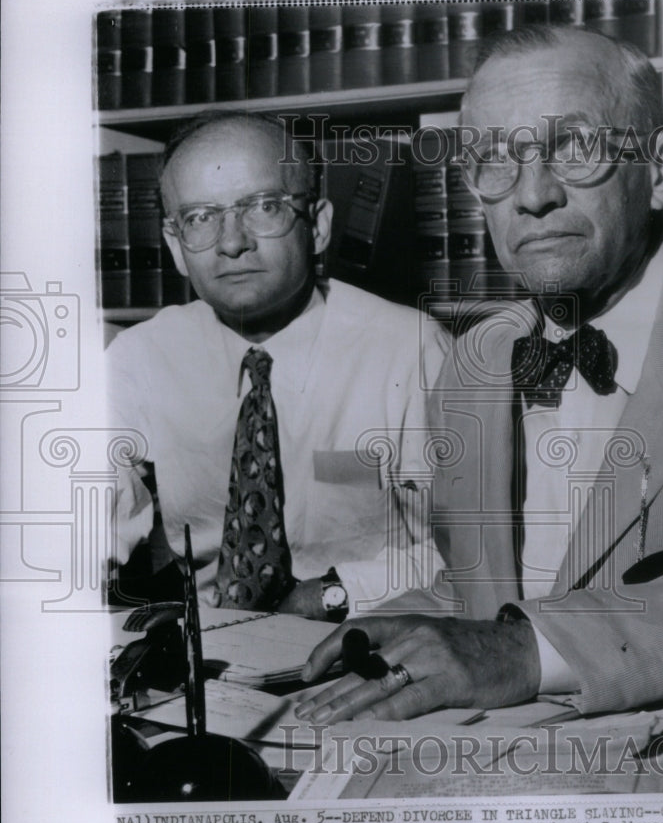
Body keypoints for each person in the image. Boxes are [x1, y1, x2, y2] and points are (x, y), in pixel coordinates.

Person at [296, 24, 663, 721]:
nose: (531, 196)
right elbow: (493, 588)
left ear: (660, 170)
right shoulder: (477, 364)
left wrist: (527, 651)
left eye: (574, 147)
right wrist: (397, 621)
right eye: (494, 160)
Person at [108, 111, 449, 619]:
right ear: (176, 248)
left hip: (371, 631)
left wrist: (334, 594)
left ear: (318, 227)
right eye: (201, 217)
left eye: (263, 207)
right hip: (208, 645)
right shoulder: (141, 357)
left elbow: (473, 553)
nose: (231, 242)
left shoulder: (411, 350)